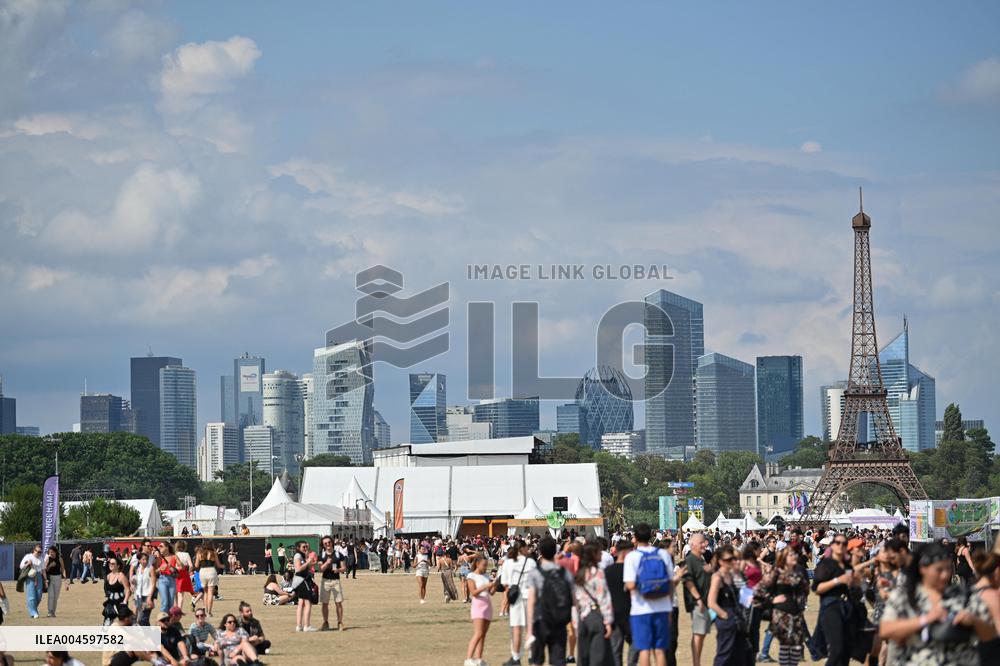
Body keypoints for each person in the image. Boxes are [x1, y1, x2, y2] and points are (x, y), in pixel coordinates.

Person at [879, 542, 995, 665]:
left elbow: (990, 635)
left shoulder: (965, 595)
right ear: (923, 569)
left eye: (948, 568)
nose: (945, 575)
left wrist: (973, 621)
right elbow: (886, 630)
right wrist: (925, 620)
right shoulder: (905, 596)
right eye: (939, 570)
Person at [625, 524, 675, 666]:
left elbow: (630, 585)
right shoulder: (663, 554)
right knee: (659, 650)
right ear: (652, 536)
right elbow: (670, 583)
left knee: (644, 650)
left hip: (640, 609)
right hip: (662, 607)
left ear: (635, 537)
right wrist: (670, 607)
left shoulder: (632, 557)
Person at [754, 546, 808, 666]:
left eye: (795, 554)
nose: (794, 557)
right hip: (781, 615)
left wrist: (802, 602)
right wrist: (772, 600)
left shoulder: (798, 572)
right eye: (791, 555)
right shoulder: (776, 572)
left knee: (796, 648)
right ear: (784, 558)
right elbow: (759, 590)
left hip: (796, 615)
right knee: (785, 647)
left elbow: (805, 589)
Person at [526, 536, 576, 666]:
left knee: (536, 661)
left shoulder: (535, 573)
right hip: (559, 621)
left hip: (540, 619)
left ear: (540, 552)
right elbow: (574, 599)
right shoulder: (564, 573)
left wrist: (529, 629)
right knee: (558, 660)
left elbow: (531, 602)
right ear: (555, 551)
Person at [812, 533, 858, 666]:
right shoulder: (826, 564)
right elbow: (817, 588)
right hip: (831, 608)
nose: (841, 546)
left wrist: (854, 583)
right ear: (832, 545)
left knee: (846, 652)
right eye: (838, 543)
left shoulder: (847, 565)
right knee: (836, 650)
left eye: (844, 544)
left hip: (846, 607)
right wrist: (837, 581)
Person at [574, 541, 614, 666]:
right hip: (596, 616)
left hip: (582, 617)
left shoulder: (579, 574)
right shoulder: (598, 573)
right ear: (593, 554)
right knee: (598, 657)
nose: (602, 555)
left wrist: (575, 622)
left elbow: (575, 601)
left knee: (583, 657)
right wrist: (608, 621)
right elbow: (603, 598)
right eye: (599, 552)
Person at [500, 541, 538, 666]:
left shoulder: (508, 563)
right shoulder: (531, 562)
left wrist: (510, 595)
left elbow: (505, 584)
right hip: (530, 596)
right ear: (522, 548)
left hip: (516, 598)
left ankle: (516, 657)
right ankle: (532, 657)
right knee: (530, 629)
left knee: (516, 629)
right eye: (527, 547)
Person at [682, 533, 713, 666]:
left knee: (701, 634)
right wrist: (698, 599)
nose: (705, 544)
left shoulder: (701, 559)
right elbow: (688, 581)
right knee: (698, 634)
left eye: (705, 542)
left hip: (704, 602)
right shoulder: (690, 560)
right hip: (698, 603)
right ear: (693, 545)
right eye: (701, 542)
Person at [605, 539, 637, 666]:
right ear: (624, 553)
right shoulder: (632, 570)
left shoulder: (607, 571)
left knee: (615, 649)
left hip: (613, 614)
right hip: (631, 612)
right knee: (636, 643)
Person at [465, 553, 498, 666]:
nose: (485, 567)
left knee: (483, 634)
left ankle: (479, 659)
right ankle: (469, 659)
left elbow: (491, 593)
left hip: (487, 604)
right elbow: (473, 593)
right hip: (478, 605)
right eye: (484, 565)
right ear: (477, 564)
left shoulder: (486, 576)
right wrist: (486, 586)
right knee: (478, 633)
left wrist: (495, 585)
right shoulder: (471, 576)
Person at [971, 549, 1000, 663]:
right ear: (997, 571)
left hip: (975, 651)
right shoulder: (991, 595)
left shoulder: (971, 591)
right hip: (992, 653)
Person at [318, 535, 347, 631]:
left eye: (329, 542)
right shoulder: (321, 555)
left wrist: (338, 570)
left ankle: (340, 622)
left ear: (332, 543)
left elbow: (344, 568)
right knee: (324, 603)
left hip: (336, 580)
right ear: (323, 545)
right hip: (325, 580)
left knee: (338, 602)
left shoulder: (339, 554)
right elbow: (321, 569)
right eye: (325, 543)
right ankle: (325, 622)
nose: (327, 545)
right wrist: (327, 563)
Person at [292, 540, 318, 631]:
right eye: (303, 547)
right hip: (301, 581)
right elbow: (298, 569)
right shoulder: (298, 555)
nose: (306, 548)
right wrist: (308, 562)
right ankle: (307, 626)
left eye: (306, 546)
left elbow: (306, 566)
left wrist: (311, 562)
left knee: (301, 603)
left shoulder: (302, 556)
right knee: (308, 603)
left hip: (300, 580)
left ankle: (299, 626)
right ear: (298, 548)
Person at [194, 542, 222, 617]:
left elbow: (196, 565)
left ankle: (205, 610)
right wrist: (223, 566)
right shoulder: (213, 552)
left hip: (202, 571)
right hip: (211, 571)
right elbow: (218, 565)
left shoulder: (199, 553)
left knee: (205, 592)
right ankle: (209, 612)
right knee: (210, 593)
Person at [102, 558, 130, 626]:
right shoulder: (108, 576)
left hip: (121, 602)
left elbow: (127, 589)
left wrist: (125, 601)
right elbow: (107, 589)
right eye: (110, 563)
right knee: (107, 622)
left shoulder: (121, 576)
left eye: (113, 563)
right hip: (111, 602)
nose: (110, 565)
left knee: (125, 624)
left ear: (118, 566)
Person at [19, 543, 44, 618]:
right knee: (31, 595)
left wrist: (45, 579)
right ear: (34, 550)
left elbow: (42, 569)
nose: (39, 553)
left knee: (39, 595)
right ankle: (33, 612)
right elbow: (21, 566)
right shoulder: (28, 556)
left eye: (41, 552)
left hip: (39, 576)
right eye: (38, 551)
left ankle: (33, 610)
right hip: (30, 576)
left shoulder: (41, 558)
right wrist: (28, 564)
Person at [43, 545, 68, 617]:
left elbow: (63, 569)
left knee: (56, 596)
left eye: (52, 552)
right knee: (51, 595)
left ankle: (53, 611)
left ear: (55, 552)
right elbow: (45, 570)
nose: (51, 553)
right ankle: (49, 611)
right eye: (50, 552)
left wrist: (65, 580)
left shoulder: (59, 559)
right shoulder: (47, 558)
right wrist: (50, 565)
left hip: (58, 578)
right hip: (50, 578)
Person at [154, 542, 178, 613]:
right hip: (162, 579)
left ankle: (170, 621)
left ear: (167, 547)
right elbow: (154, 571)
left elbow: (182, 567)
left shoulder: (174, 556)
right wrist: (160, 569)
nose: (159, 548)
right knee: (164, 602)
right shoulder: (159, 558)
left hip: (172, 580)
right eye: (159, 546)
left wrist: (175, 568)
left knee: (171, 603)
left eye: (161, 546)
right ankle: (163, 619)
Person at [173, 541, 194, 611]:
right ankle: (179, 609)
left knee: (175, 592)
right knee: (181, 593)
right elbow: (191, 566)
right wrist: (188, 572)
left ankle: (176, 607)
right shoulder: (186, 554)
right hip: (183, 573)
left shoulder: (175, 554)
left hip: (175, 573)